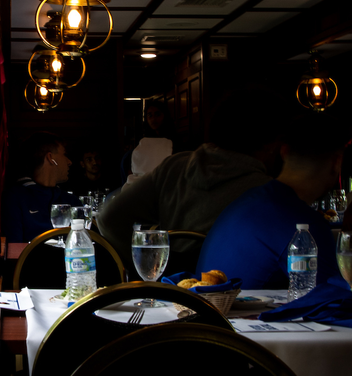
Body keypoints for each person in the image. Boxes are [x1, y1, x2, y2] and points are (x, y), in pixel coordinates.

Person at [96, 90, 280, 268]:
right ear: (272, 144)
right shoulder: (267, 188)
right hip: (233, 289)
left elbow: (109, 219)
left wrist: (149, 267)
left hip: (173, 290)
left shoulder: (174, 166)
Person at [195, 115, 346, 289]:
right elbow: (333, 300)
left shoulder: (247, 201)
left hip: (205, 313)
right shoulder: (305, 227)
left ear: (283, 152)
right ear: (336, 163)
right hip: (236, 316)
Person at [1, 133, 78, 243]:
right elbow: (14, 248)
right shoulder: (14, 198)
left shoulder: (71, 200)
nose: (69, 162)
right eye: (64, 154)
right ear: (50, 158)